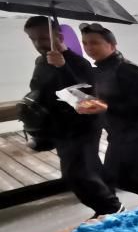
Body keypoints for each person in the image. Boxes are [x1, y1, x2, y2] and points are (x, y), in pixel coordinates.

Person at [20, 17, 122, 217]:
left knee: (76, 175)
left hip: (82, 126)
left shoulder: (78, 63)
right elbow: (40, 90)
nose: (38, 43)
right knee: (91, 168)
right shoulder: (41, 61)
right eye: (33, 39)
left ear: (58, 36)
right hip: (59, 127)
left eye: (43, 37)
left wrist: (62, 67)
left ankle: (113, 209)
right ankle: (107, 207)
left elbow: (87, 96)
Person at [77, 23, 138, 200]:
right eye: (85, 43)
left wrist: (106, 107)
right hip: (121, 137)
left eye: (94, 43)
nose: (89, 48)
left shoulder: (127, 70)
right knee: (113, 178)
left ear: (112, 44)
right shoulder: (98, 71)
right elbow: (103, 98)